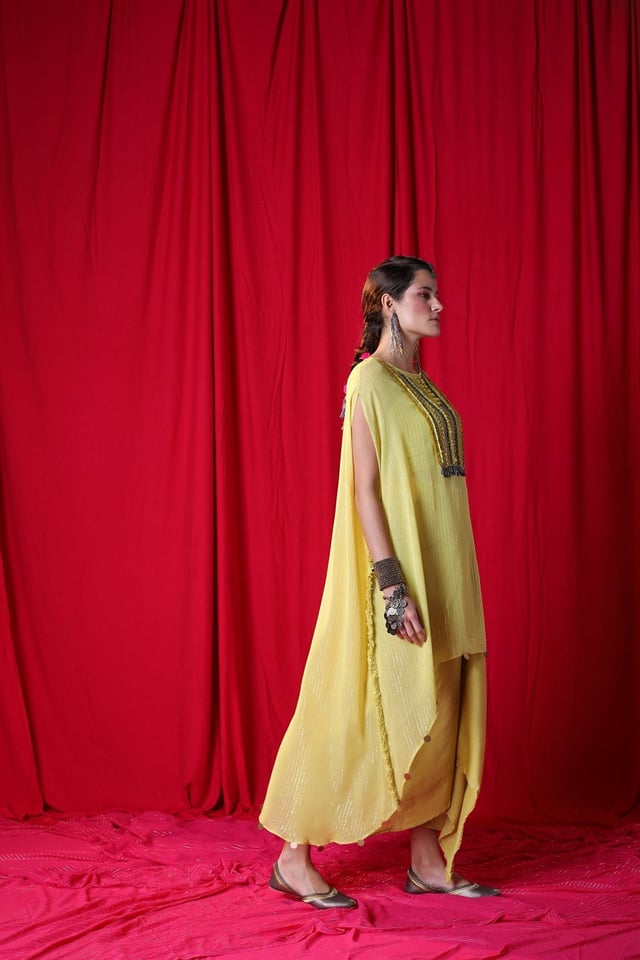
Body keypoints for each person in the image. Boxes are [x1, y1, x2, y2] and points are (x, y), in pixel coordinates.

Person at [260, 255, 498, 908]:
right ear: (389, 304)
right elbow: (363, 489)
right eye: (425, 294)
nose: (439, 305)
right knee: (361, 710)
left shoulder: (426, 386)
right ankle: (292, 857)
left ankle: (427, 861)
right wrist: (393, 587)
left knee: (441, 711)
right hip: (400, 577)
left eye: (438, 294)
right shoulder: (368, 381)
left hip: (448, 572)